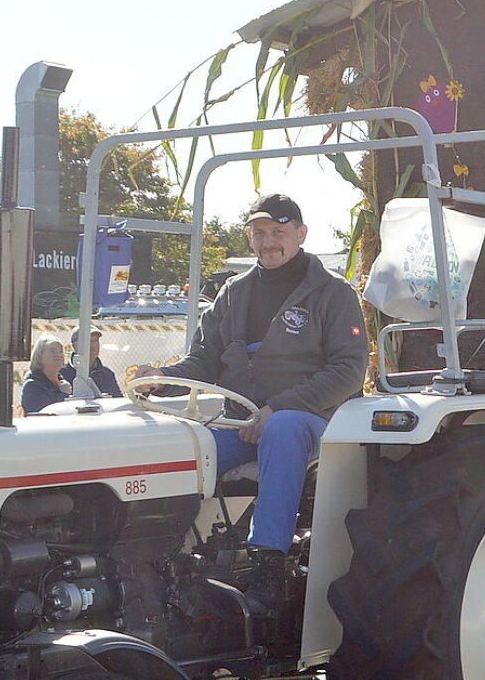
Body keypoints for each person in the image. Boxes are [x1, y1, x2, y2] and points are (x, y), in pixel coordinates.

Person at [139, 193, 368, 615]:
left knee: (282, 430)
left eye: (279, 233)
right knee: (186, 445)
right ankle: (157, 566)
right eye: (260, 233)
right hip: (242, 423)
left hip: (313, 425)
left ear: (301, 234)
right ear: (249, 237)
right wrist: (160, 382)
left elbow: (349, 372)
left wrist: (278, 408)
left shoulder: (334, 294)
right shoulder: (234, 292)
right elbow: (204, 359)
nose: (268, 242)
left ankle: (267, 571)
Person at [62, 326, 123, 397]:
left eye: (96, 341)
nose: (93, 345)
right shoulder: (62, 374)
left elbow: (117, 402)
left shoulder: (107, 374)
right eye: (88, 341)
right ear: (74, 345)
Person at [20, 334, 72, 415]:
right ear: (40, 356)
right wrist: (64, 395)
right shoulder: (32, 386)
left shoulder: (62, 382)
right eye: (52, 351)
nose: (58, 355)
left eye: (60, 351)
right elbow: (45, 416)